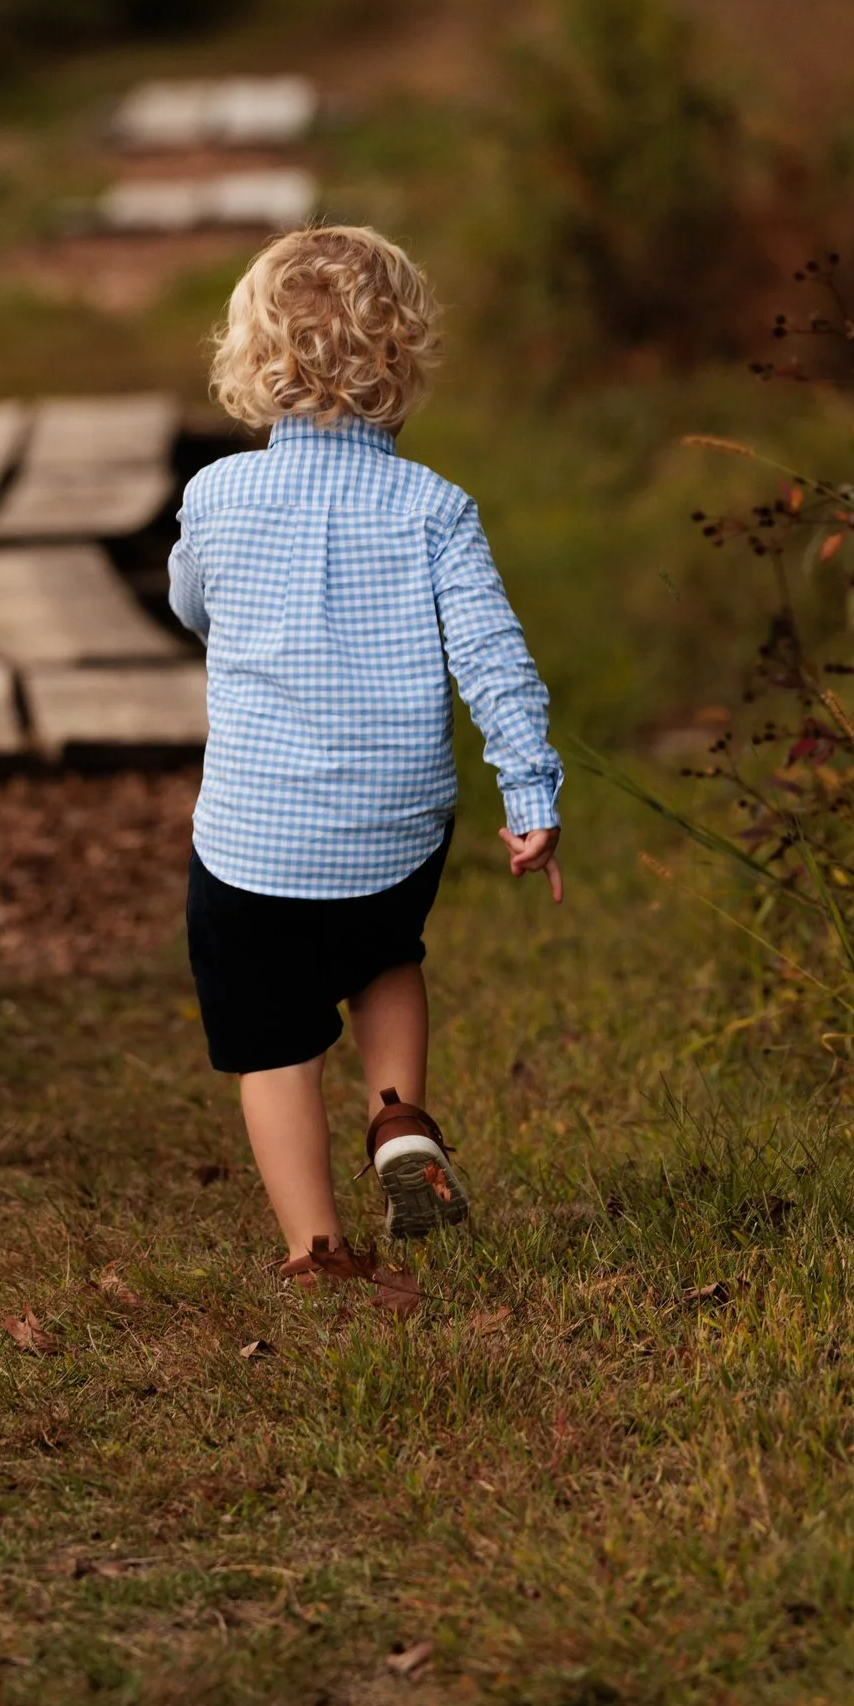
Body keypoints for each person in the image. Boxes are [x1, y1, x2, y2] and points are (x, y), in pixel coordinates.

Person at [167, 221, 564, 1307]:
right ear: (403, 361)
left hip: (254, 836)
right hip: (396, 826)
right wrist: (528, 792)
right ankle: (398, 1115)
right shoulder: (435, 508)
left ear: (249, 357)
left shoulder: (213, 497)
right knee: (383, 954)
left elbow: (190, 605)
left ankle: (318, 1246)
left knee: (275, 1041)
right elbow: (494, 657)